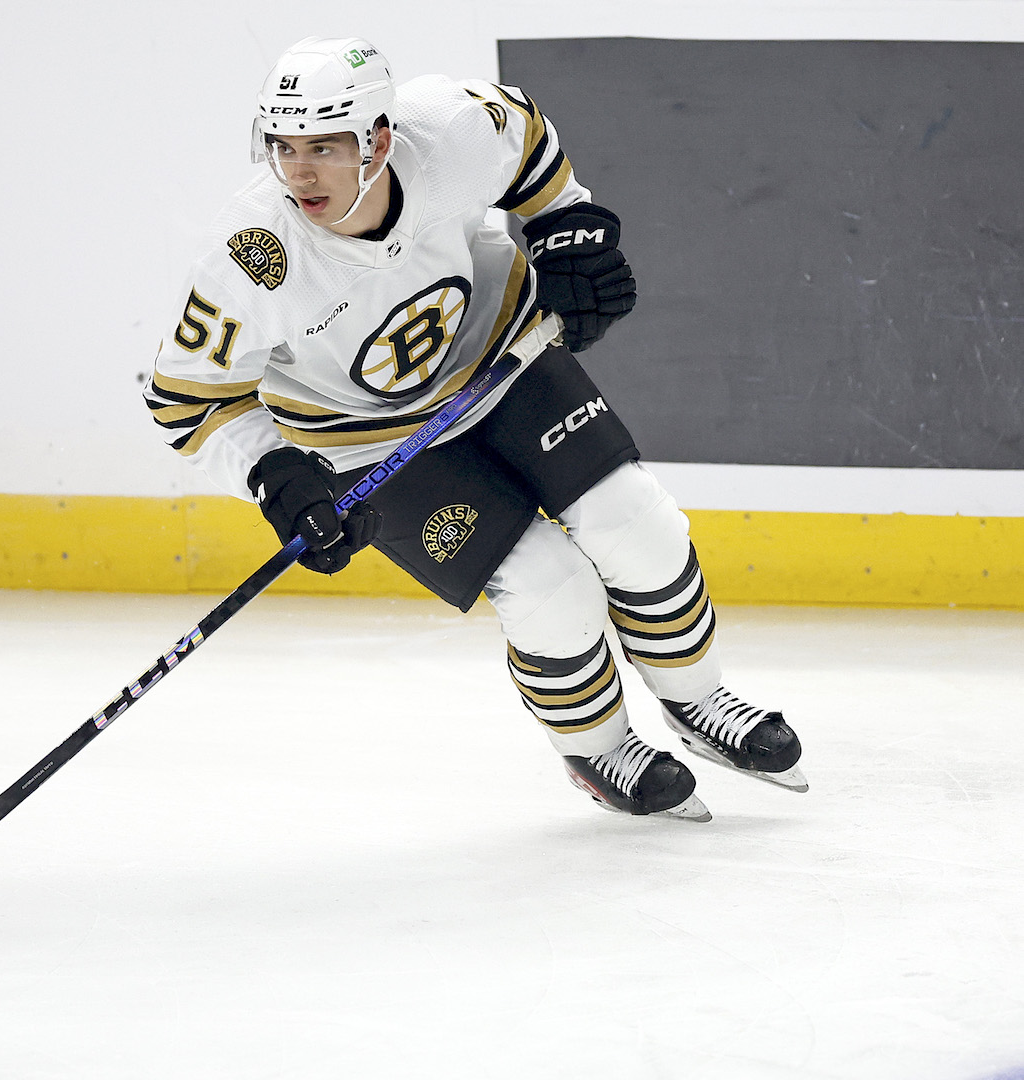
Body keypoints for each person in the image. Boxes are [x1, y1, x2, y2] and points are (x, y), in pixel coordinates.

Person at [144, 36, 805, 820]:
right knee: (549, 588)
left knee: (638, 525)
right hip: (369, 437)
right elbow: (188, 400)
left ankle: (699, 700)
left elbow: (528, 143)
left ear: (379, 140)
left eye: (323, 146)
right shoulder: (252, 259)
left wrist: (567, 230)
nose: (299, 172)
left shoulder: (448, 132)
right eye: (283, 147)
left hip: (504, 356)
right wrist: (274, 474)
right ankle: (598, 750)